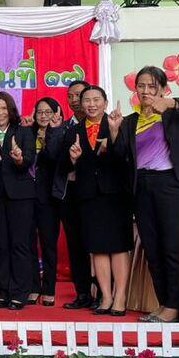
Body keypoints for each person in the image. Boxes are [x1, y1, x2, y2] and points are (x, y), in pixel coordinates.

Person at [110, 66, 179, 323]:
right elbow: (119, 158)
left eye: (152, 86)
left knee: (172, 247)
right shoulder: (130, 121)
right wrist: (114, 131)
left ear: (163, 89)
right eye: (141, 86)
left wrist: (172, 103)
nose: (146, 91)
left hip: (170, 185)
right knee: (153, 249)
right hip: (141, 186)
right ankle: (164, 303)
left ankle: (174, 307)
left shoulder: (171, 113)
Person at [66, 85, 133, 316]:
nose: (91, 104)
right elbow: (64, 165)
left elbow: (124, 157)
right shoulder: (74, 130)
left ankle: (120, 296)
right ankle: (106, 296)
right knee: (97, 248)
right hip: (88, 195)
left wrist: (114, 134)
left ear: (105, 102)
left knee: (119, 247)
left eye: (96, 100)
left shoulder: (119, 123)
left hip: (115, 194)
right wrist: (73, 160)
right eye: (87, 100)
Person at [0, 92, 36, 311]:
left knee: (19, 244)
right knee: (1, 245)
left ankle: (20, 293)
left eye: (4, 108)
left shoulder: (24, 132)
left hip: (21, 195)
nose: (0, 112)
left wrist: (20, 158)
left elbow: (30, 158)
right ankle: (3, 293)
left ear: (11, 110)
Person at [48, 79, 96, 309]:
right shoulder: (63, 125)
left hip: (95, 193)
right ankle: (83, 292)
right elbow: (53, 157)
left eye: (79, 95)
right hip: (69, 192)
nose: (75, 100)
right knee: (76, 245)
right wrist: (55, 131)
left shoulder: (101, 124)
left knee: (96, 243)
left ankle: (104, 292)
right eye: (70, 96)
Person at [28, 97, 64, 306]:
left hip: (49, 197)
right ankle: (33, 286)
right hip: (26, 195)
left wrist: (52, 133)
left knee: (48, 243)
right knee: (29, 243)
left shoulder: (62, 132)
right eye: (39, 112)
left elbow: (53, 158)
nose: (43, 116)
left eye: (48, 112)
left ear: (56, 113)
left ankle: (49, 288)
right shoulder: (27, 132)